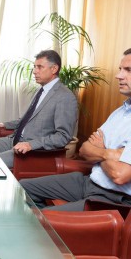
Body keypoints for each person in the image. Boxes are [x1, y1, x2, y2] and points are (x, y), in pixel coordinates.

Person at [20, 48, 131, 211]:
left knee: (41, 220)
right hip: (89, 181)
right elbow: (85, 149)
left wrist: (100, 150)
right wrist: (109, 153)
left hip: (111, 199)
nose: (118, 75)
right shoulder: (120, 112)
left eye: (128, 70)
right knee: (22, 188)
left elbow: (119, 175)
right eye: (120, 69)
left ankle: (49, 225)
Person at [0, 50, 78, 168]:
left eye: (40, 67)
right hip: (14, 140)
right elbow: (28, 119)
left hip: (32, 151)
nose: (34, 71)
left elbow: (63, 137)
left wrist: (31, 145)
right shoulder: (41, 91)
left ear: (54, 69)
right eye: (34, 67)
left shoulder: (65, 97)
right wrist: (4, 124)